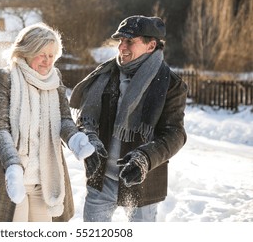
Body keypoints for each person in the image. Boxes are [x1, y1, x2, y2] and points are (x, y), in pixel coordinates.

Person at [70, 15, 188, 222]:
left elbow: (175, 134)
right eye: (120, 41)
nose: (121, 47)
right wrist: (90, 137)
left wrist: (145, 158)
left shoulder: (170, 84)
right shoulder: (106, 75)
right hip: (101, 179)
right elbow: (86, 119)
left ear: (151, 45)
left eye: (130, 41)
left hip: (141, 181)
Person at [0, 22, 95, 222]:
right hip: (11, 176)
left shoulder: (54, 79)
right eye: (42, 54)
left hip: (45, 178)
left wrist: (75, 139)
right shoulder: (6, 79)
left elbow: (64, 119)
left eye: (51, 56)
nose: (47, 61)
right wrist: (13, 166)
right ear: (27, 51)